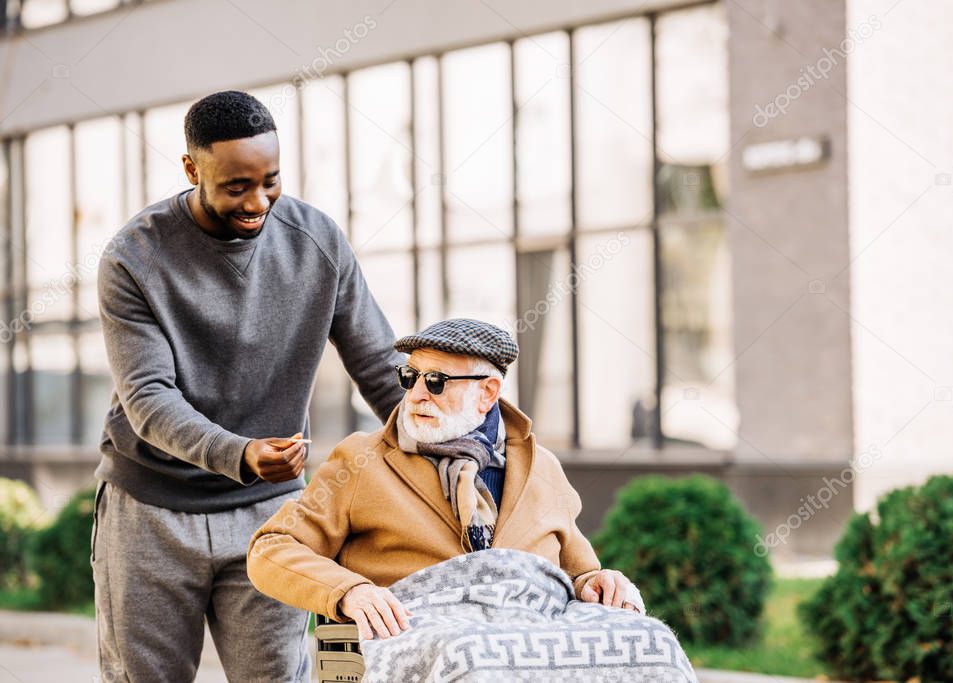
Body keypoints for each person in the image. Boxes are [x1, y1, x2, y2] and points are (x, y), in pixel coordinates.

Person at [92, 90, 405, 682]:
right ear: (192, 168)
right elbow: (148, 399)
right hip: (152, 512)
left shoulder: (317, 241)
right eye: (237, 186)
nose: (257, 201)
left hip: (272, 517)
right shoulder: (134, 258)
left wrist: (453, 437)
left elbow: (378, 365)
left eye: (271, 180)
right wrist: (240, 453)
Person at [247, 318, 642, 643]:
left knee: (651, 646)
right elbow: (271, 548)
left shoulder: (543, 468)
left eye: (436, 381)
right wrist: (349, 591)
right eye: (411, 377)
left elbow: (580, 572)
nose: (417, 394)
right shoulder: (361, 460)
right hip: (419, 650)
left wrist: (599, 580)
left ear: (487, 393)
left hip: (529, 653)